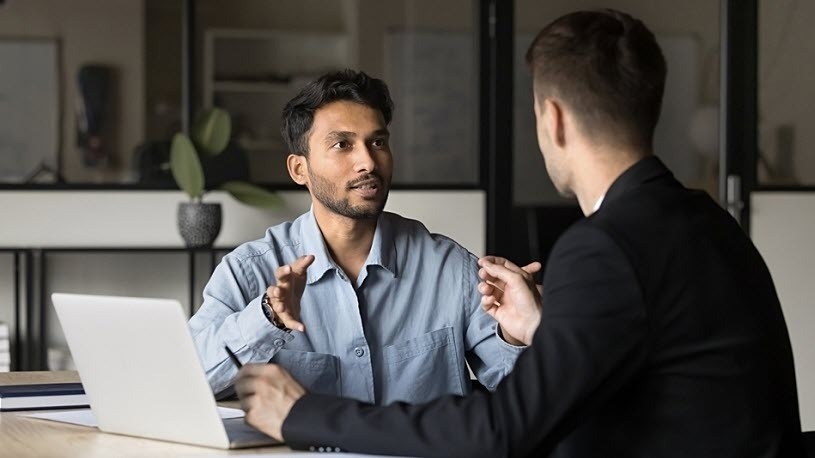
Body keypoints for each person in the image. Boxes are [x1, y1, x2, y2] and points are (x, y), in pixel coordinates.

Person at [231, 9, 806, 457]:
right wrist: (543, 327)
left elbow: (504, 431)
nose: (366, 161)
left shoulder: (603, 247)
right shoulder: (710, 222)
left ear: (551, 119)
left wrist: (301, 413)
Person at [188, 70, 526, 405]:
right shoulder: (249, 272)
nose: (367, 161)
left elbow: (524, 393)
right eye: (342, 145)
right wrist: (268, 319)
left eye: (378, 142)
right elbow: (188, 382)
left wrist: (517, 332)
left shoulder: (449, 268)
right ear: (299, 170)